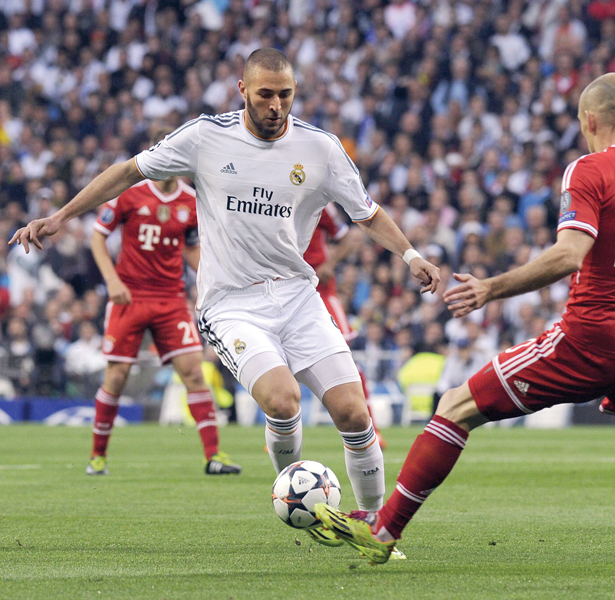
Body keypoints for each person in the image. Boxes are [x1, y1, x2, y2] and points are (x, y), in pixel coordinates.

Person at [315, 73, 615, 569]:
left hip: (590, 339)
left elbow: (568, 256)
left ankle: (383, 529)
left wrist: (491, 287)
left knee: (456, 405)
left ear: (589, 120)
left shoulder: (589, 170)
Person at [10, 49, 441, 551]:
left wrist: (411, 255)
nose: (276, 105)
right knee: (282, 400)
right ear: (243, 90)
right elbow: (128, 171)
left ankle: (375, 526)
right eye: (265, 94)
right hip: (230, 302)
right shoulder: (205, 137)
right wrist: (61, 216)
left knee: (354, 413)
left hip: (298, 297)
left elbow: (365, 213)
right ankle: (303, 504)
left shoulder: (320, 149)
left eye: (285, 95)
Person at [86, 129, 241, 476]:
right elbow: (98, 237)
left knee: (194, 372)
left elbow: (190, 247)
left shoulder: (190, 200)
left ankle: (214, 456)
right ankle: (98, 457)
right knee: (117, 376)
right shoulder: (130, 193)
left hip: (170, 299)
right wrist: (111, 281)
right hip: (130, 296)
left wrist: (205, 284)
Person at [303, 203, 387, 448]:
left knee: (349, 359)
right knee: (281, 361)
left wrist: (329, 264)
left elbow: (348, 237)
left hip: (322, 292)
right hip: (287, 293)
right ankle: (282, 432)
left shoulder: (319, 202)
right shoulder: (273, 199)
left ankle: (372, 428)